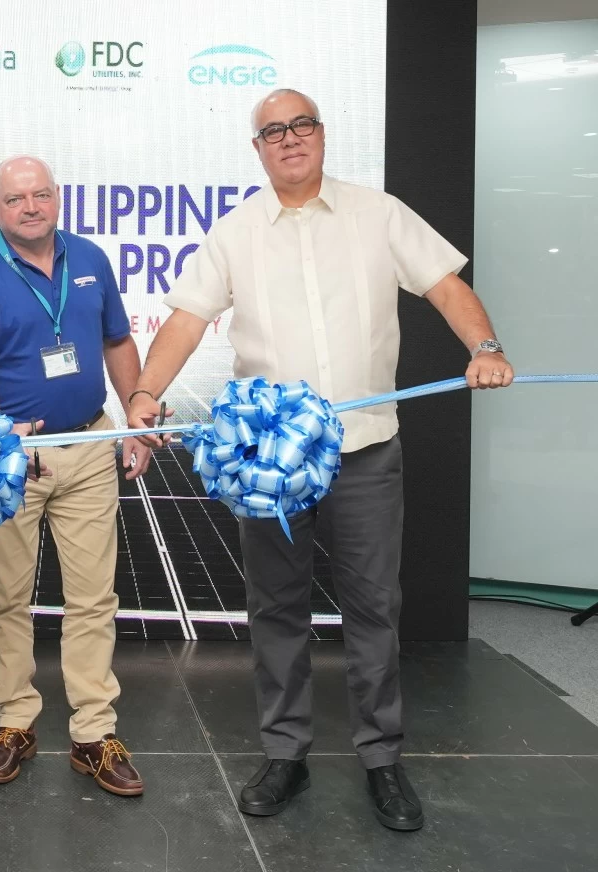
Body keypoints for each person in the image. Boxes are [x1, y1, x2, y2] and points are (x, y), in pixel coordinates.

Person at [127, 89, 514, 830]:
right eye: (274, 131)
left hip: (365, 449)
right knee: (277, 610)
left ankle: (382, 760)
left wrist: (485, 348)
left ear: (322, 135)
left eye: (301, 125)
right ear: (258, 149)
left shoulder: (379, 213)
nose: (290, 139)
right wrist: (147, 390)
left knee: (374, 609)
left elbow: (444, 285)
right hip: (270, 464)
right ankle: (286, 755)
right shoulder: (235, 231)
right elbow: (185, 319)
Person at [0, 156, 154, 796]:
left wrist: (136, 418)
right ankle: (16, 723)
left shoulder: (90, 259)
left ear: (58, 199)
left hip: (91, 444)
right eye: (15, 199)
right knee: (8, 598)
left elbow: (118, 342)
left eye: (40, 195)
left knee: (93, 598)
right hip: (15, 459)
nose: (30, 207)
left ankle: (93, 734)